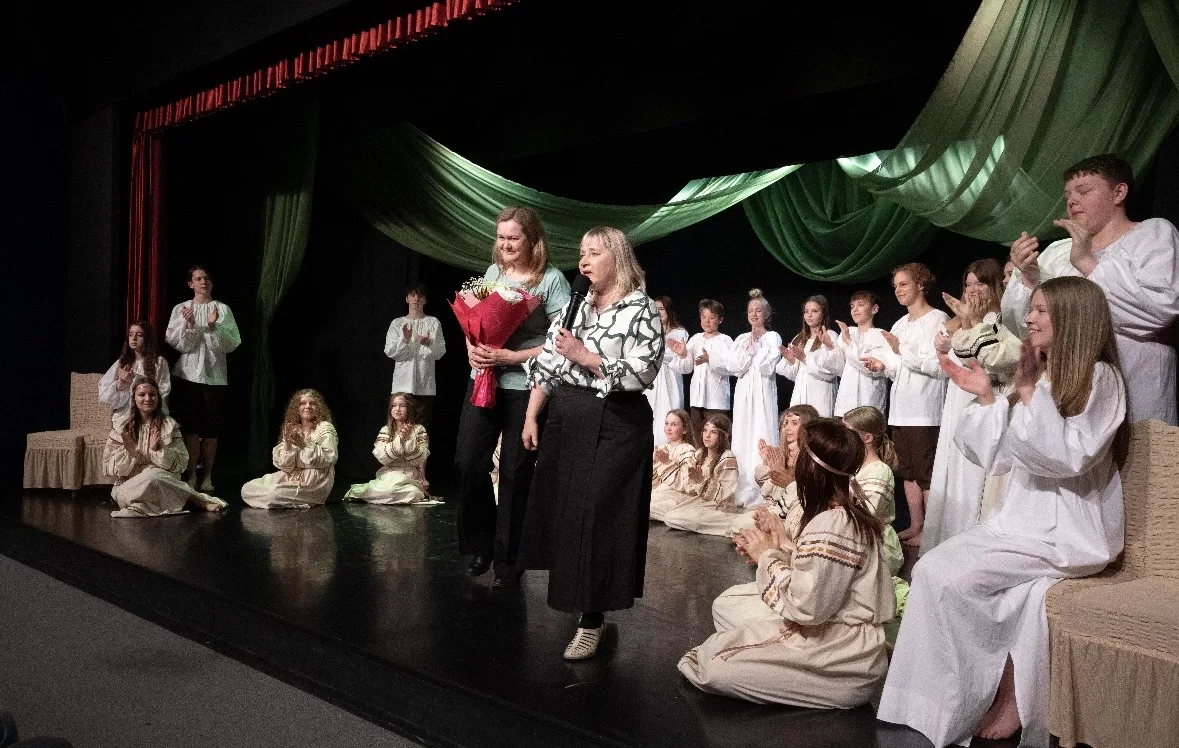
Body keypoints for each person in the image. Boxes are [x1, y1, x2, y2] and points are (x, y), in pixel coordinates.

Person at [878, 276, 1128, 746]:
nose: (1028, 319)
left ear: (1074, 319)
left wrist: (1030, 393)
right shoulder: (1041, 376)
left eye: (1041, 311)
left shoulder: (1100, 378)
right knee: (930, 570)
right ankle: (937, 703)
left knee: (953, 580)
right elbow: (999, 456)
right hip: (1021, 522)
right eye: (1031, 309)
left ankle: (978, 699)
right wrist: (987, 398)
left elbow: (1068, 457)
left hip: (1067, 530)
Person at [517, 226, 663, 660]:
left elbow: (644, 370)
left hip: (617, 420)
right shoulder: (576, 305)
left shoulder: (641, 308)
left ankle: (592, 620)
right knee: (570, 512)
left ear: (617, 257)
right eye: (581, 253)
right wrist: (531, 414)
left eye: (594, 253)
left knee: (598, 513)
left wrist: (586, 356)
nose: (583, 261)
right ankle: (582, 605)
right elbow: (549, 361)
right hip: (569, 415)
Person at [678, 419, 894, 707]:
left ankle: (842, 678)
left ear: (811, 467)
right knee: (726, 611)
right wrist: (775, 548)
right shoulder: (842, 510)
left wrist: (767, 556)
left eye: (800, 454)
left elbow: (806, 606)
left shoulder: (833, 524)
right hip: (835, 634)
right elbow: (820, 574)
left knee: (712, 668)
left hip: (840, 656)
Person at [1004, 153, 1179, 425]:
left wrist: (1087, 262)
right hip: (1067, 391)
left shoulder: (1151, 235)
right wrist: (1029, 279)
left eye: (1083, 191)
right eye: (1067, 194)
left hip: (1134, 386)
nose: (1071, 201)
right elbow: (1024, 328)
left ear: (1118, 192)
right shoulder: (1057, 252)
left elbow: (1158, 310)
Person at [454, 206, 571, 586]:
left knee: (515, 474)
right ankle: (482, 544)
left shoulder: (551, 281)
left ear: (532, 240)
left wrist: (513, 356)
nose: (505, 245)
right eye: (501, 237)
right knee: (468, 463)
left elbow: (563, 343)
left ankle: (509, 560)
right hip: (484, 380)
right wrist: (472, 348)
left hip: (526, 387)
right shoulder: (493, 273)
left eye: (513, 238)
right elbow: (475, 323)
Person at [921, 259, 1020, 555]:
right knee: (955, 465)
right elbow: (944, 359)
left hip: (988, 396)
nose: (973, 290)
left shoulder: (1005, 320)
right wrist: (948, 342)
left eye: (981, 283)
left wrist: (968, 327)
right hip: (960, 397)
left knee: (978, 471)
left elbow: (988, 359)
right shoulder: (960, 320)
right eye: (968, 284)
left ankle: (970, 540)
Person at [861, 263, 948, 547]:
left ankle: (932, 530)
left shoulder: (938, 319)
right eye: (895, 286)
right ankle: (916, 524)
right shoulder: (900, 324)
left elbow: (936, 365)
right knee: (907, 472)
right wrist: (882, 365)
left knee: (925, 473)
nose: (898, 290)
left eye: (904, 284)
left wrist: (902, 350)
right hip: (901, 409)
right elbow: (898, 366)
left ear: (921, 285)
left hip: (925, 410)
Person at [164, 265, 241, 492]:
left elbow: (231, 343)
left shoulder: (222, 309)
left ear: (212, 282)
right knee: (191, 428)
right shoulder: (182, 308)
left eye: (206, 278)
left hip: (214, 377)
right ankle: (191, 475)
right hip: (188, 375)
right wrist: (190, 324)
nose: (203, 282)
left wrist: (212, 326)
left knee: (211, 429)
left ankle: (207, 476)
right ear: (191, 284)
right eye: (198, 279)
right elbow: (181, 345)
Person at [102, 378, 226, 517]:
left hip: (161, 482)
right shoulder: (122, 426)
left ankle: (142, 507)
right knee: (148, 478)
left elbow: (181, 464)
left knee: (153, 475)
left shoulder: (168, 425)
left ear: (158, 398)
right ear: (134, 398)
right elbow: (109, 467)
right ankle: (194, 500)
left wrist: (157, 450)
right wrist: (131, 452)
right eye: (142, 394)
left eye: (152, 394)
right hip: (130, 487)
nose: (147, 399)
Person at [728, 289, 783, 507]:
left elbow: (766, 367)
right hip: (744, 392)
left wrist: (758, 349)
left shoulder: (772, 337)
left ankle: (761, 487)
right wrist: (747, 351)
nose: (754, 314)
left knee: (761, 430)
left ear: (766, 314)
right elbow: (734, 367)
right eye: (751, 310)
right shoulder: (742, 338)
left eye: (758, 310)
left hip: (762, 391)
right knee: (742, 433)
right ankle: (741, 485)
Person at [241, 389, 338, 508]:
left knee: (273, 494)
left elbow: (329, 459)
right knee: (247, 488)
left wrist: (304, 445)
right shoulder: (295, 428)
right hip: (292, 476)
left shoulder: (324, 427)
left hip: (314, 481)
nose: (307, 406)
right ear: (297, 408)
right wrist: (287, 444)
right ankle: (281, 497)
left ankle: (291, 498)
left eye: (312, 403)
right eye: (302, 403)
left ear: (319, 407)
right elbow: (286, 466)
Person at [842, 406, 904, 577]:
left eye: (847, 432)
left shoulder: (879, 471)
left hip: (875, 543)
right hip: (855, 535)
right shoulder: (853, 466)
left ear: (867, 438)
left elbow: (867, 513)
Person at [344, 393, 438, 506]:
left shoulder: (419, 429)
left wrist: (408, 440)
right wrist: (399, 439)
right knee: (388, 490)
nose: (397, 409)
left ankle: (376, 496)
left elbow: (421, 456)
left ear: (409, 408)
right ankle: (364, 492)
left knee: (413, 493)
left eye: (402, 406)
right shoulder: (386, 430)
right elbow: (382, 457)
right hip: (390, 474)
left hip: (410, 476)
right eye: (394, 405)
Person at [661, 414, 743, 535]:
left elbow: (727, 494)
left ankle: (729, 524)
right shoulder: (699, 453)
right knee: (670, 517)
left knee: (675, 518)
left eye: (713, 432)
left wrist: (702, 482)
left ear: (725, 436)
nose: (707, 435)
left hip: (718, 507)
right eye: (705, 430)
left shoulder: (727, 457)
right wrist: (694, 482)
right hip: (699, 502)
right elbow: (687, 485)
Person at [666, 300, 734, 443]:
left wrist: (710, 359)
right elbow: (686, 368)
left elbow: (731, 367)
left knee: (717, 436)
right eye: (704, 317)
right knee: (697, 436)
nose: (707, 321)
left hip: (716, 400)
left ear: (720, 320)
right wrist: (683, 354)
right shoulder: (696, 339)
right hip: (697, 399)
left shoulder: (725, 340)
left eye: (712, 317)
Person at [383, 283, 446, 425]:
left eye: (420, 296)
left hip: (424, 386)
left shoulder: (433, 322)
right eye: (412, 295)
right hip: (402, 385)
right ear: (407, 299)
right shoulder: (397, 323)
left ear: (425, 300)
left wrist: (427, 343)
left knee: (422, 427)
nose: (416, 299)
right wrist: (405, 340)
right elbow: (390, 351)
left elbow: (440, 351)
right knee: (399, 426)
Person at [775, 295, 844, 417]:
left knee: (818, 425)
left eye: (814, 311)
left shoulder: (829, 336)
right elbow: (794, 376)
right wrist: (791, 361)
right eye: (806, 312)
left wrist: (805, 359)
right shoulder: (799, 338)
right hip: (800, 393)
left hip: (820, 393)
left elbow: (831, 371)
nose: (809, 315)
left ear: (823, 314)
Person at [832, 291, 890, 417]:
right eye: (852, 306)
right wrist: (829, 346)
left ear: (874, 309)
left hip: (869, 400)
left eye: (861, 305)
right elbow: (838, 367)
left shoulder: (881, 335)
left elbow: (869, 366)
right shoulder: (848, 332)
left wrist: (849, 342)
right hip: (846, 402)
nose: (855, 310)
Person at [98, 320, 171, 419]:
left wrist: (133, 380)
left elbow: (163, 390)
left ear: (147, 338)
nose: (134, 338)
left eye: (139, 335)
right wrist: (120, 384)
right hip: (127, 414)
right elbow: (105, 394)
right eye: (131, 335)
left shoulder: (159, 362)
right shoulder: (121, 363)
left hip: (152, 414)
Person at [646, 296, 689, 446]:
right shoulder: (649, 332)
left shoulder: (679, 332)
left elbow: (670, 355)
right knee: (651, 413)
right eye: (655, 309)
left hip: (670, 378)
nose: (658, 312)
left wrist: (653, 352)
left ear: (669, 311)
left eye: (661, 309)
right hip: (653, 378)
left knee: (669, 410)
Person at [648, 409, 697, 521]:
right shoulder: (662, 448)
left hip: (677, 495)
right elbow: (654, 483)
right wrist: (653, 463)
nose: (668, 428)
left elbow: (687, 485)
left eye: (674, 425)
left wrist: (667, 463)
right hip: (660, 492)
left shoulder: (688, 451)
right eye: (667, 423)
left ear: (684, 429)